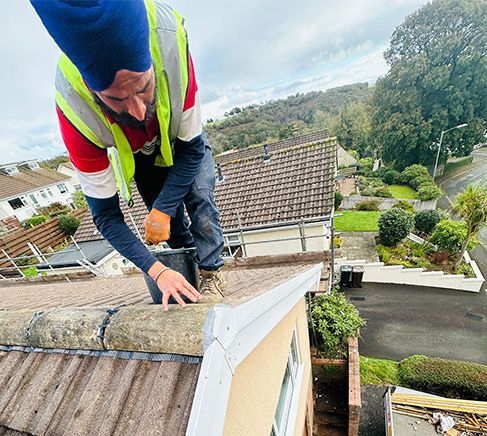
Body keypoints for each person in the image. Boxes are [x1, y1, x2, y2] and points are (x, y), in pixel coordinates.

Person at [31, 0, 226, 310]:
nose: (137, 111)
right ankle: (187, 275)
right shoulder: (74, 110)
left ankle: (212, 271)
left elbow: (191, 151)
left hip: (183, 144)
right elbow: (106, 217)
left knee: (201, 199)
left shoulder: (170, 40)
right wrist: (157, 270)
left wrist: (163, 206)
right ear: (93, 92)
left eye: (144, 87)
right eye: (117, 98)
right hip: (145, 159)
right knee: (170, 226)